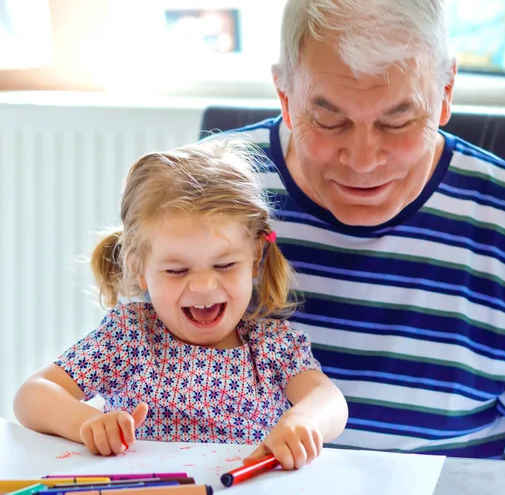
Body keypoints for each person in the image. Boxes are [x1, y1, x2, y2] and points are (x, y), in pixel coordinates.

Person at [203, 0, 505, 464]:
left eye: (398, 120)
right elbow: (135, 376)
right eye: (329, 119)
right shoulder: (208, 196)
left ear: (445, 94)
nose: (363, 161)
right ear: (285, 95)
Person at [13, 139, 348, 470]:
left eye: (224, 266)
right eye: (177, 270)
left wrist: (303, 421)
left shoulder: (271, 345)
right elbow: (33, 395)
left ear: (255, 257)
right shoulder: (130, 335)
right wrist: (87, 423)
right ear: (139, 269)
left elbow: (330, 401)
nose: (203, 286)